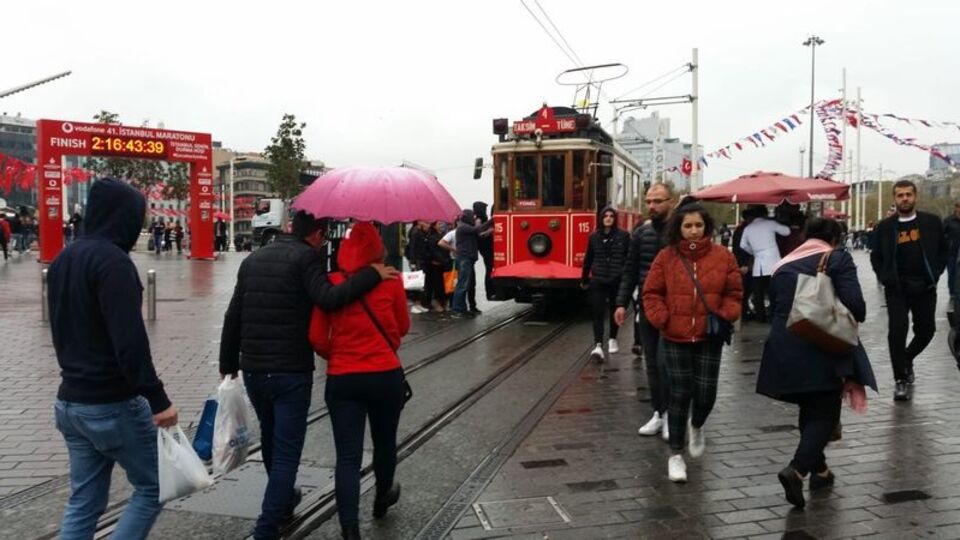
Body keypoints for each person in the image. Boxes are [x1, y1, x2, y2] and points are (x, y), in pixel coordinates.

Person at [219, 211, 397, 540]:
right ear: (315, 235)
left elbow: (234, 313)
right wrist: (372, 274)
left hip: (255, 369)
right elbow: (328, 299)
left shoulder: (253, 259)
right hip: (289, 371)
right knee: (286, 453)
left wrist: (227, 362)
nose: (324, 243)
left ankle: (285, 501)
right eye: (324, 237)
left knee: (272, 442)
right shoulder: (305, 259)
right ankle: (266, 529)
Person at [47, 178, 178, 539]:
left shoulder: (63, 259)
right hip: (111, 403)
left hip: (70, 401)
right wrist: (159, 400)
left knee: (84, 500)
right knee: (155, 487)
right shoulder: (113, 263)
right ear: (124, 217)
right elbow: (129, 342)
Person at [757, 217, 877, 508]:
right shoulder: (836, 258)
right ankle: (796, 471)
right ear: (834, 238)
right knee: (824, 412)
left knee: (811, 409)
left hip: (783, 346)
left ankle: (820, 472)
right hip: (821, 345)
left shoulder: (782, 265)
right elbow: (857, 307)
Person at [309, 222, 410, 540]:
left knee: (348, 455)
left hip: (343, 378)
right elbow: (403, 326)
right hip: (384, 375)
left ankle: (350, 528)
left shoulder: (331, 283)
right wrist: (385, 345)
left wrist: (336, 354)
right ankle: (382, 495)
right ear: (377, 249)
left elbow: (315, 337)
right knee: (385, 442)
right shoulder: (392, 281)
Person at [642, 203, 742, 483]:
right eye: (688, 226)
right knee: (679, 394)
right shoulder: (666, 257)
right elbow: (651, 293)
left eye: (698, 225)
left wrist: (725, 314)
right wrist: (663, 319)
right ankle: (676, 454)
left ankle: (697, 424)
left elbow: (734, 292)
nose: (694, 231)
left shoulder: (723, 256)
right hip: (675, 336)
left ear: (706, 227)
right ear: (679, 229)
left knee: (706, 393)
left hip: (709, 336)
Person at [870, 180, 947, 401]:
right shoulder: (886, 227)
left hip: (925, 286)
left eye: (908, 194)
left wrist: (936, 272)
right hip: (897, 288)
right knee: (897, 331)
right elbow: (877, 256)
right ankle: (900, 379)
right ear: (894, 199)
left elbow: (943, 250)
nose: (905, 198)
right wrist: (884, 277)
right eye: (900, 195)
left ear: (915, 196)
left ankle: (907, 357)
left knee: (927, 330)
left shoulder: (931, 222)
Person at [614, 183, 674, 440]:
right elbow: (630, 269)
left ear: (670, 202)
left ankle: (674, 414)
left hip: (674, 309)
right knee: (652, 363)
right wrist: (621, 303)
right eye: (649, 201)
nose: (652, 206)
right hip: (648, 307)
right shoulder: (641, 233)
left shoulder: (680, 233)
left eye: (658, 201)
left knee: (668, 362)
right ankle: (659, 413)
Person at [582, 205, 630, 362]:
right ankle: (598, 345)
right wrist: (584, 279)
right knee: (597, 312)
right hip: (598, 280)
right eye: (605, 216)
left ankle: (613, 338)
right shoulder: (594, 237)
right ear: (601, 219)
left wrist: (627, 277)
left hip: (616, 279)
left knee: (614, 311)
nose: (608, 218)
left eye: (611, 216)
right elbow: (588, 259)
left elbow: (629, 258)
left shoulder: (623, 236)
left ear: (615, 219)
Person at [739, 205, 790, 322]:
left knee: (758, 292)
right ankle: (773, 315)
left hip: (758, 263)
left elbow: (743, 245)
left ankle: (760, 317)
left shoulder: (748, 228)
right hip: (773, 261)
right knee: (773, 291)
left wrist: (753, 251)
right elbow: (787, 232)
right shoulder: (770, 224)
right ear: (765, 214)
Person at [450, 209, 491, 318]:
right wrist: (492, 220)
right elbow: (478, 229)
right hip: (465, 259)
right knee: (462, 285)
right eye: (473, 216)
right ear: (467, 217)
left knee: (465, 284)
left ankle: (462, 309)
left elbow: (479, 233)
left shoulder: (465, 227)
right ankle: (457, 310)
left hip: (467, 259)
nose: (474, 218)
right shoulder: (463, 227)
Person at [473, 201, 496, 300]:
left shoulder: (482, 219)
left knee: (490, 268)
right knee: (489, 268)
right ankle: (490, 291)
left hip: (486, 246)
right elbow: (479, 232)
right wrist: (489, 231)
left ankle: (491, 290)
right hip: (485, 246)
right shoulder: (478, 220)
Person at [943, 201, 960, 303]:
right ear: (956, 208)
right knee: (952, 274)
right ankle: (953, 293)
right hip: (952, 253)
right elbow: (942, 235)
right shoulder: (948, 220)